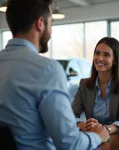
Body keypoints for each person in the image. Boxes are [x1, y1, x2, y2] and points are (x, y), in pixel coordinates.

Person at [0, 0, 110, 150]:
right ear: (40, 23)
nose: (51, 31)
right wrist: (98, 136)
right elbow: (69, 144)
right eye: (51, 23)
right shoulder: (47, 69)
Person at [72, 37, 119, 134]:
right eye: (97, 53)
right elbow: (71, 115)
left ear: (115, 60)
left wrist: (107, 129)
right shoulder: (84, 85)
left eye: (106, 55)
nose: (100, 58)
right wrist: (85, 125)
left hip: (118, 141)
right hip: (93, 139)